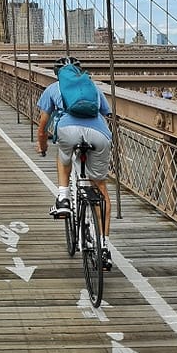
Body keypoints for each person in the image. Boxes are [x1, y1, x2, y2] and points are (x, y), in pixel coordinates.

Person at [36, 56, 113, 270]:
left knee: (63, 156)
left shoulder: (53, 88)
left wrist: (41, 145)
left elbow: (42, 126)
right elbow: (106, 113)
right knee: (101, 190)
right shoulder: (93, 88)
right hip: (99, 135)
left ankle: (63, 198)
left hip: (68, 132)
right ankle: (104, 247)